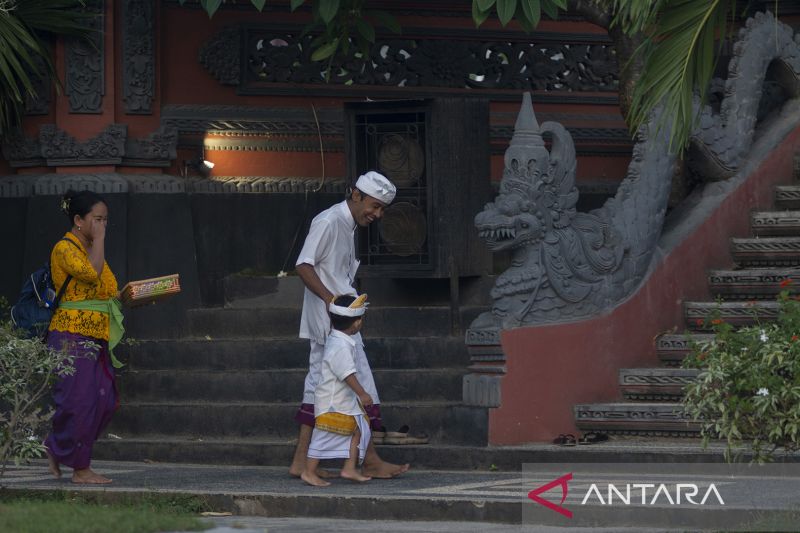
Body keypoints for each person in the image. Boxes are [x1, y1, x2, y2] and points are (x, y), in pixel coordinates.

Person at [289, 171, 409, 479]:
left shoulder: (348, 224)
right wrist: (333, 302)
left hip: (338, 321)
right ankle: (365, 460)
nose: (378, 215)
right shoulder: (329, 221)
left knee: (319, 386)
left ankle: (303, 461)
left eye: (382, 209)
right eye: (375, 206)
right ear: (356, 195)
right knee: (360, 387)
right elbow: (303, 264)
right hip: (333, 323)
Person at [44, 189, 124, 484]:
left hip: (96, 335)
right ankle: (80, 468)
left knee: (105, 400)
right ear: (78, 220)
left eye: (105, 220)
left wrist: (135, 296)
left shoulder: (92, 248)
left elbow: (107, 287)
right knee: (80, 401)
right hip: (70, 334)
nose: (102, 225)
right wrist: (100, 241)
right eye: (97, 219)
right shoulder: (64, 249)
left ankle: (57, 445)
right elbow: (92, 274)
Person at [302, 294, 373, 487]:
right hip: (333, 402)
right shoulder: (340, 345)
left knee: (358, 430)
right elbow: (347, 374)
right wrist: (363, 394)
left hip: (343, 401)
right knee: (322, 437)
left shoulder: (339, 340)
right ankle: (308, 472)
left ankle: (349, 468)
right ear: (357, 323)